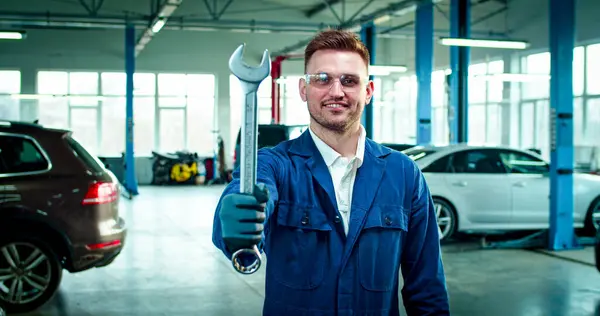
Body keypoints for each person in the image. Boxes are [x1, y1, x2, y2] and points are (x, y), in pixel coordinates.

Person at [212, 29, 450, 315]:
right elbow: (245, 194)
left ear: (368, 91)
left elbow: (427, 287)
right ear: (303, 89)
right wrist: (235, 219)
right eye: (322, 79)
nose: (336, 92)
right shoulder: (275, 164)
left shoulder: (404, 174)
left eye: (349, 81)